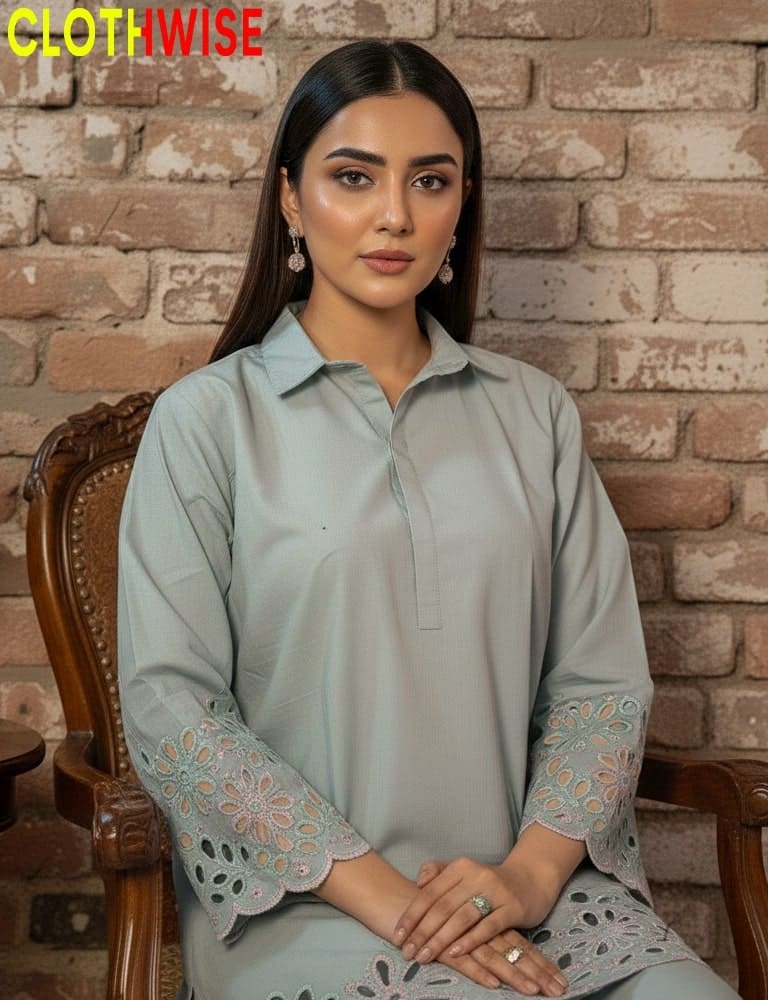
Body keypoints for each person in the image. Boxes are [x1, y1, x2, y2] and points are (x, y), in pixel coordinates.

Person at [116, 38, 740, 1000]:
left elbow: (601, 687)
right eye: (354, 177)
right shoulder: (207, 422)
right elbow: (172, 707)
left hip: (527, 893)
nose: (395, 215)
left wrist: (526, 878)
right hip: (309, 902)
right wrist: (395, 904)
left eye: (431, 180)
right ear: (291, 198)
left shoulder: (534, 415)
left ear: (463, 203)